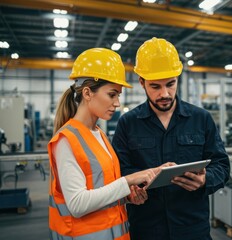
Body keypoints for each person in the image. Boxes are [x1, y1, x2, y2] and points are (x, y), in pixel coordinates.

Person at [112, 37, 230, 240]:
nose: (165, 93)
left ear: (178, 79)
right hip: (146, 228)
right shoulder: (128, 123)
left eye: (170, 84)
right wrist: (132, 190)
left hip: (192, 229)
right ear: (142, 82)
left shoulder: (201, 119)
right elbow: (119, 171)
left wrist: (205, 180)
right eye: (155, 86)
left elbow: (222, 166)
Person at [47, 48, 159, 240]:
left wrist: (128, 196)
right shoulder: (66, 140)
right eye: (112, 94)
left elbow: (102, 189)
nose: (117, 103)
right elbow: (77, 204)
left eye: (118, 95)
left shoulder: (99, 134)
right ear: (88, 93)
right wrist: (129, 180)